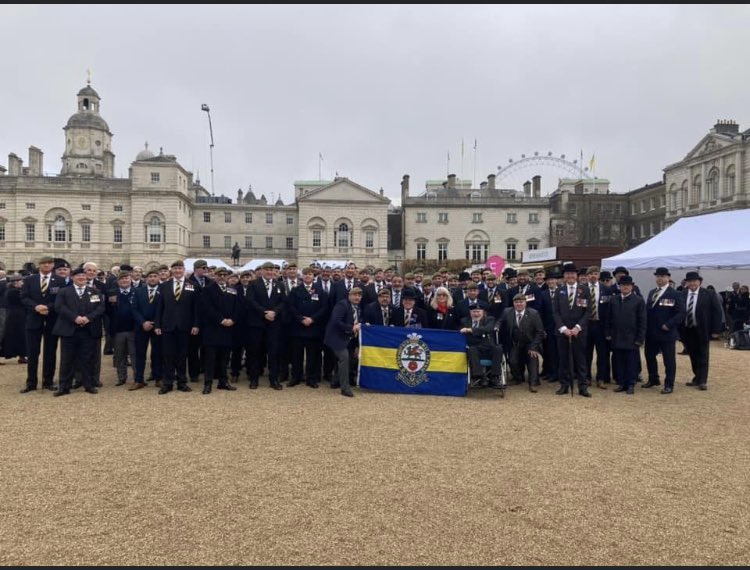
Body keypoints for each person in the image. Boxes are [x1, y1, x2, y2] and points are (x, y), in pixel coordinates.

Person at [52, 267, 106, 396]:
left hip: (88, 330)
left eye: (83, 275)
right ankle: (64, 386)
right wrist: (74, 317)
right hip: (69, 330)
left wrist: (88, 318)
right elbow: (59, 307)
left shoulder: (94, 292)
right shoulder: (64, 292)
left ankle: (88, 385)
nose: (81, 277)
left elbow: (100, 308)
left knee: (87, 359)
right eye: (78, 276)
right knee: (67, 360)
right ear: (72, 277)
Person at [20, 255, 65, 392]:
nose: (46, 265)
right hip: (33, 319)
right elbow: (24, 297)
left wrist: (48, 308)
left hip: (51, 319)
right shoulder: (29, 280)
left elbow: (61, 299)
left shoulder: (60, 280)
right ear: (39, 265)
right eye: (44, 263)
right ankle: (31, 382)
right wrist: (36, 307)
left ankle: (48, 381)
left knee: (50, 352)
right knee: (33, 352)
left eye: (49, 263)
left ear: (52, 266)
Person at [154, 260, 198, 394]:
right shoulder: (164, 286)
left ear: (184, 270)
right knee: (167, 355)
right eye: (175, 269)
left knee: (182, 355)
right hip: (168, 325)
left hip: (185, 326)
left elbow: (196, 308)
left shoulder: (192, 285)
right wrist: (157, 324)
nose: (178, 271)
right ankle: (167, 383)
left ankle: (182, 382)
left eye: (180, 268)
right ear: (171, 271)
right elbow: (159, 307)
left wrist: (196, 324)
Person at [678, 271, 724, 391]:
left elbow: (717, 312)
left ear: (700, 282)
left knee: (703, 354)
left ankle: (703, 380)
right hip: (687, 329)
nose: (692, 283)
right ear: (686, 283)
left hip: (703, 329)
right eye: (690, 281)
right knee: (693, 354)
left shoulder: (709, 294)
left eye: (695, 281)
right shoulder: (682, 294)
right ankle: (697, 377)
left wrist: (716, 330)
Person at [552, 263, 592, 397]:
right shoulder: (559, 290)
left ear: (577, 275)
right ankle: (564, 385)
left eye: (572, 273)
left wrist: (577, 328)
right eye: (567, 274)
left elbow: (588, 312)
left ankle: (583, 387)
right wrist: (563, 329)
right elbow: (555, 312)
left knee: (581, 360)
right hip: (563, 332)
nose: (570, 276)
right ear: (564, 276)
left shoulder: (584, 290)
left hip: (579, 332)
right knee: (563, 360)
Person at [643, 267, 686, 395]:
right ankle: (653, 378)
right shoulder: (652, 292)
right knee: (649, 356)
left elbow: (681, 312)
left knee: (669, 360)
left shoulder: (675, 293)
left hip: (666, 332)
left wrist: (669, 324)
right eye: (657, 276)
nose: (660, 278)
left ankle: (669, 384)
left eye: (662, 276)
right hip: (651, 332)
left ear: (668, 277)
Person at [246, 261, 287, 390]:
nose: (270, 272)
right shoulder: (253, 284)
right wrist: (264, 313)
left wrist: (274, 312)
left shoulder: (279, 284)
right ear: (262, 271)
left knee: (273, 352)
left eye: (272, 270)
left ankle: (274, 380)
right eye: (267, 269)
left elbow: (283, 302)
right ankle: (254, 379)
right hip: (257, 323)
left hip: (274, 324)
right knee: (255, 352)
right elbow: (251, 301)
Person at [286, 267, 328, 388]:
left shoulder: (320, 291)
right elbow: (291, 307)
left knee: (312, 355)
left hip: (313, 328)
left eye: (310, 274)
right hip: (298, 327)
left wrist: (312, 319)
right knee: (296, 355)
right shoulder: (295, 290)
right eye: (305, 274)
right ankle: (296, 377)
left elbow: (324, 308)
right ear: (302, 276)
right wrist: (301, 319)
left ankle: (311, 378)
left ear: (313, 276)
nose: (308, 276)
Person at [199, 267, 239, 394]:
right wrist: (221, 320)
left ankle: (223, 381)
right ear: (215, 276)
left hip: (228, 328)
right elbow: (207, 308)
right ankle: (208, 383)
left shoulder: (233, 290)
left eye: (224, 274)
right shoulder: (208, 290)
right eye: (219, 274)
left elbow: (238, 307)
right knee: (210, 358)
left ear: (227, 276)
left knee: (224, 358)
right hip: (213, 328)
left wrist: (233, 319)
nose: (222, 277)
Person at [605, 275, 646, 395]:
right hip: (616, 336)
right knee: (619, 361)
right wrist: (608, 333)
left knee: (631, 362)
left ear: (632, 286)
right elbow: (609, 318)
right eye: (623, 285)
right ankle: (621, 383)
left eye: (628, 285)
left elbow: (642, 321)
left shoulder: (638, 300)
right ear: (619, 286)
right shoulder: (614, 299)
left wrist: (640, 338)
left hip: (631, 337)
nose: (625, 287)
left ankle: (631, 384)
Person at [497, 294, 545, 392]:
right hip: (515, 342)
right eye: (516, 302)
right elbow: (500, 321)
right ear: (513, 303)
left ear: (525, 303)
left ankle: (533, 383)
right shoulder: (507, 311)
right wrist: (496, 326)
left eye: (521, 302)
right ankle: (517, 378)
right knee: (512, 360)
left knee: (532, 358)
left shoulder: (533, 313)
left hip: (530, 343)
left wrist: (534, 347)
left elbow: (540, 332)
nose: (519, 304)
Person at [324, 286, 363, 397]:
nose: (357, 297)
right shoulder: (342, 305)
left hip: (347, 338)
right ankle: (345, 388)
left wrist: (363, 325)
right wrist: (351, 328)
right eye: (354, 295)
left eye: (359, 295)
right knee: (344, 358)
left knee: (350, 359)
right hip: (335, 338)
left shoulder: (357, 308)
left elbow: (357, 321)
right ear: (349, 296)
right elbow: (336, 321)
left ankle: (335, 381)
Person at [131, 269, 163, 390]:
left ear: (158, 278)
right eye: (150, 276)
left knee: (157, 354)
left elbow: (165, 308)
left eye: (155, 276)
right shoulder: (138, 291)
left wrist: (156, 323)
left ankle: (158, 378)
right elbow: (134, 309)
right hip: (141, 327)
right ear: (146, 278)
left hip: (157, 327)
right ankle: (139, 380)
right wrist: (143, 322)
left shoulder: (163, 290)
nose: (152, 278)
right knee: (140, 354)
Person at [106, 271, 138, 387]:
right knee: (120, 356)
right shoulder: (111, 293)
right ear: (118, 281)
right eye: (122, 279)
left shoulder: (137, 292)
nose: (124, 280)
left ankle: (137, 377)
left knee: (134, 355)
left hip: (133, 329)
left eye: (127, 278)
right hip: (117, 329)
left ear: (131, 280)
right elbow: (106, 310)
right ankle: (121, 377)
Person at [460, 306, 503, 388]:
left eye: (478, 311)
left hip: (489, 347)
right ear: (470, 312)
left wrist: (470, 330)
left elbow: (487, 329)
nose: (476, 314)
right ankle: (480, 377)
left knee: (498, 348)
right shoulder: (464, 321)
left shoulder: (490, 319)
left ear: (483, 312)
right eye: (474, 312)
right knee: (471, 349)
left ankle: (495, 377)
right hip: (475, 348)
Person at [584, 266, 613, 389]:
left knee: (602, 354)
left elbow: (610, 311)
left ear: (599, 276)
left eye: (595, 273)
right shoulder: (581, 289)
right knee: (586, 354)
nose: (593, 276)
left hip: (601, 326)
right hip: (586, 325)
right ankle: (587, 377)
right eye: (590, 274)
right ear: (587, 276)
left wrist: (609, 329)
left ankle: (601, 378)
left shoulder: (607, 290)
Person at [1, 275, 27, 362]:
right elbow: (22, 301)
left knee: (20, 336)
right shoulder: (13, 292)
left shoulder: (13, 290)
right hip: (16, 315)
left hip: (16, 314)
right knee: (17, 335)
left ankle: (22, 356)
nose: (23, 283)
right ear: (16, 283)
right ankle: (21, 355)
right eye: (21, 282)